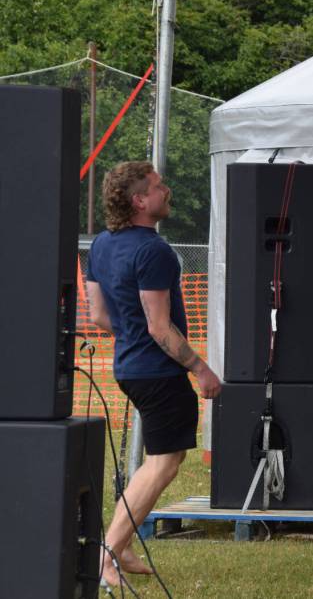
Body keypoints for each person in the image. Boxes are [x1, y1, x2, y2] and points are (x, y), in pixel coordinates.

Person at [85, 161, 221, 587]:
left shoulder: (101, 245)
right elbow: (160, 327)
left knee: (165, 459)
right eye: (158, 187)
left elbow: (98, 315)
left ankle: (122, 547)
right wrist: (200, 369)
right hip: (158, 372)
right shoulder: (154, 251)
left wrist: (131, 338)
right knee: (163, 463)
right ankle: (105, 554)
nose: (167, 192)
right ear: (139, 200)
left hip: (128, 366)